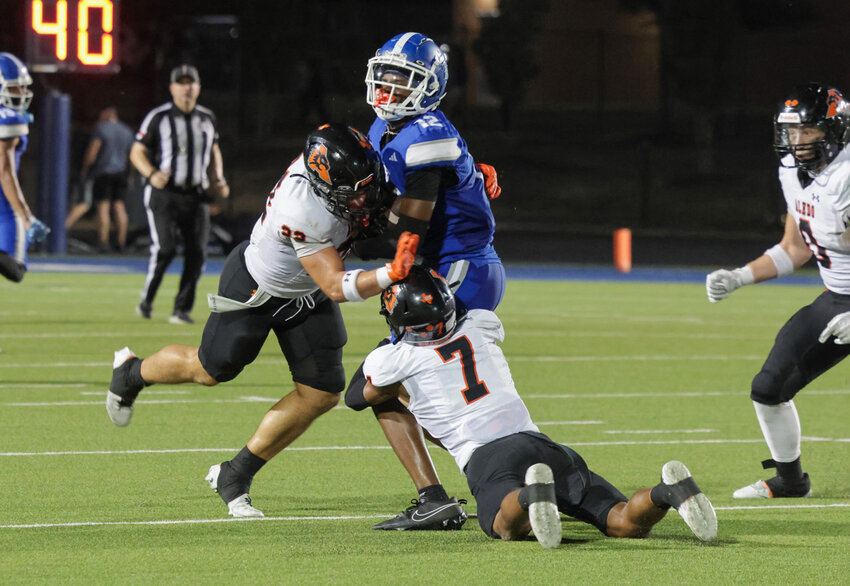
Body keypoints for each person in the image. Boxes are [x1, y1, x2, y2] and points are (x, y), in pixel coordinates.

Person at [106, 123, 419, 518]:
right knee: (210, 369)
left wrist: (467, 176)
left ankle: (235, 474)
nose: (363, 199)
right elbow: (337, 285)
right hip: (258, 289)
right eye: (352, 193)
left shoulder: (349, 169)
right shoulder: (301, 208)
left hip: (304, 292)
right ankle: (132, 372)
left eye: (365, 186)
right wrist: (393, 272)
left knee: (322, 392)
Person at [346, 266, 717, 547]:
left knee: (504, 526)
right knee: (624, 523)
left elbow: (355, 396)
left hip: (487, 456)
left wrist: (391, 338)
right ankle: (667, 491)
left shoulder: (393, 359)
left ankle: (530, 495)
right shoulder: (480, 323)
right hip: (542, 443)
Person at [347, 31, 505, 531]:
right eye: (386, 76)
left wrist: (359, 243)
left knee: (378, 385)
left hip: (457, 270)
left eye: (404, 79)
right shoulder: (384, 127)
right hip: (432, 269)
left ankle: (497, 467)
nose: (390, 88)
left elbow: (408, 228)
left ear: (429, 86)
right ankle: (444, 489)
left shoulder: (428, 133)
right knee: (379, 387)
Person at [706, 82, 850, 499]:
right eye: (793, 132)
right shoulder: (792, 169)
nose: (798, 141)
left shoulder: (845, 177)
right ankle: (790, 481)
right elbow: (795, 247)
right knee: (769, 388)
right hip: (837, 297)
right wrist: (740, 276)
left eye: (809, 131)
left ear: (834, 130)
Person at [130, 64, 230, 325]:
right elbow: (137, 151)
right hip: (164, 193)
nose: (187, 87)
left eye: (191, 82)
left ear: (198, 87)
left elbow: (213, 151)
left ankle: (181, 309)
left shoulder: (207, 118)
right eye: (181, 82)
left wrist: (218, 178)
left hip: (195, 195)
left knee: (197, 253)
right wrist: (152, 175)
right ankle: (147, 299)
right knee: (165, 250)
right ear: (172, 87)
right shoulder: (159, 117)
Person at [0, 51, 49, 284]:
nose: (20, 93)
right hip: (4, 207)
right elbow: (5, 173)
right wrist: (26, 214)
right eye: (13, 88)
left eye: (20, 87)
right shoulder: (9, 119)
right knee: (16, 270)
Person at [66, 106, 135, 252]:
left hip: (104, 172)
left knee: (103, 208)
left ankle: (103, 242)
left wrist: (85, 170)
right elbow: (133, 155)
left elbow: (93, 151)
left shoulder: (101, 129)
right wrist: (130, 175)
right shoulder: (127, 131)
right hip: (121, 173)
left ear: (105, 116)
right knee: (119, 207)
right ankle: (121, 243)